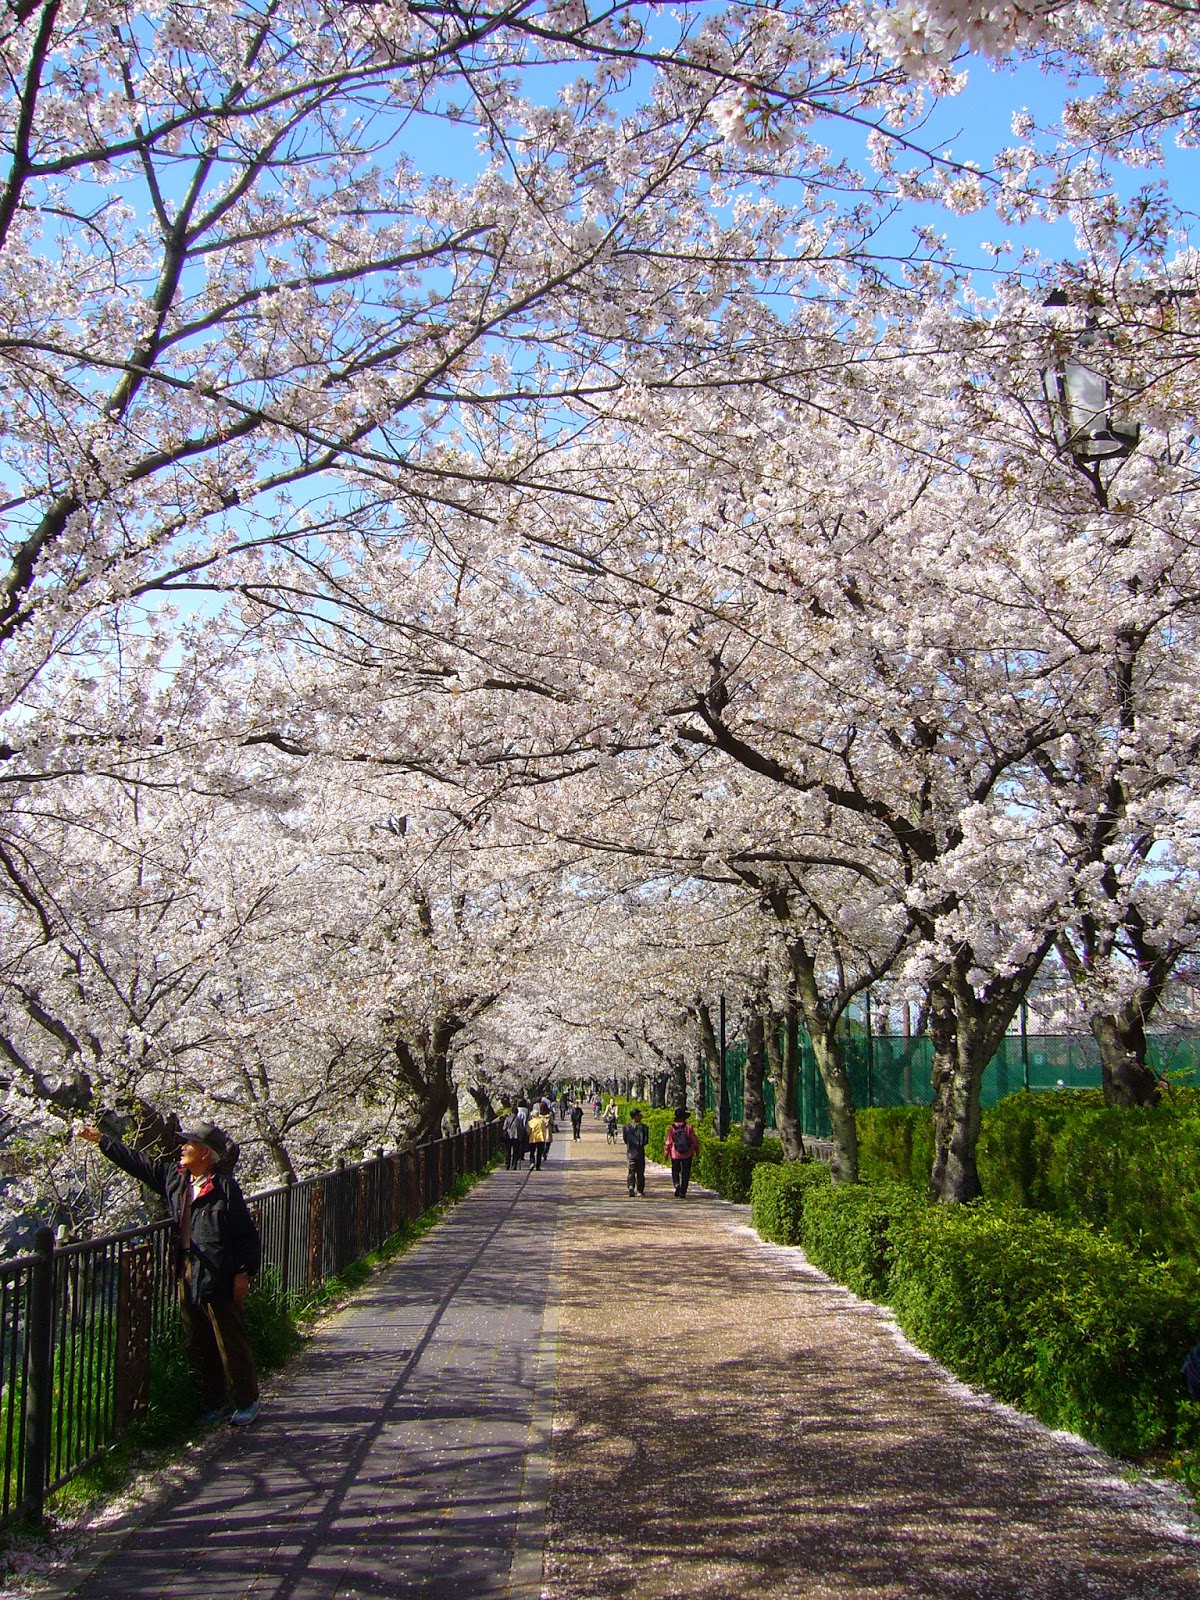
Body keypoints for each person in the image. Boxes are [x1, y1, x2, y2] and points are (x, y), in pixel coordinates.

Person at [78, 1118, 261, 1426]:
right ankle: (215, 1402)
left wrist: (243, 1272)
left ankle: (246, 1401)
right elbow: (138, 1163)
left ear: (204, 1153)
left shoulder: (224, 1187)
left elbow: (245, 1233)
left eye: (188, 1145)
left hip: (218, 1270)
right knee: (198, 1339)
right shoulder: (176, 1180)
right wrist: (102, 1141)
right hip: (186, 1267)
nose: (182, 1148)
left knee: (228, 1336)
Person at [665, 1106, 699, 1197]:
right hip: (688, 1153)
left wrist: (666, 1153)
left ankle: (676, 1184)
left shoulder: (672, 1128)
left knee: (675, 1170)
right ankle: (683, 1191)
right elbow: (694, 1140)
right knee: (686, 1172)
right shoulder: (688, 1127)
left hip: (675, 1153)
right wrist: (697, 1150)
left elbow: (668, 1142)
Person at [623, 1107, 649, 1196]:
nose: (641, 1116)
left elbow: (625, 1140)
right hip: (640, 1152)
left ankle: (631, 1187)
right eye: (639, 1115)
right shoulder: (644, 1128)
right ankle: (640, 1190)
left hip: (631, 1152)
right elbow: (646, 1141)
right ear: (636, 1116)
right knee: (640, 1173)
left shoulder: (626, 1127)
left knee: (631, 1171)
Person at [527, 1103, 551, 1170]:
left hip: (533, 1138)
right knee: (539, 1153)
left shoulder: (531, 1122)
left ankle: (532, 1162)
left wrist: (528, 1135)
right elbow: (544, 1128)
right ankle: (538, 1166)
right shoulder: (541, 1121)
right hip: (541, 1138)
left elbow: (529, 1130)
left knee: (532, 1152)